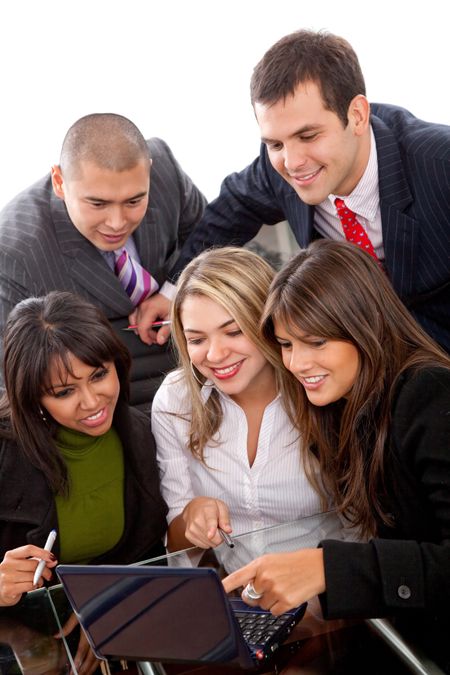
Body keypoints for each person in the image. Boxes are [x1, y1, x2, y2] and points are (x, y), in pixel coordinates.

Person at [137, 29, 450, 354]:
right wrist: (171, 292)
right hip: (365, 361)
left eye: (309, 135)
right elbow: (229, 209)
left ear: (357, 115)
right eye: (275, 143)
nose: (292, 162)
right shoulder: (277, 170)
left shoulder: (439, 164)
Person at [222, 240, 450, 672]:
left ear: (365, 326)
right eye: (287, 345)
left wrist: (328, 567)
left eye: (317, 342)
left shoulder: (428, 392)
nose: (297, 363)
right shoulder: (345, 406)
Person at [0, 291, 167, 673]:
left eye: (99, 375)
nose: (92, 402)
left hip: (110, 635)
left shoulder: (141, 434)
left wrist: (108, 607)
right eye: (64, 392)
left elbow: (146, 553)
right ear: (32, 397)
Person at [0, 113, 207, 407]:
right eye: (98, 204)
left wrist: (176, 289)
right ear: (59, 182)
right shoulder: (15, 251)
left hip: (201, 369)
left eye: (134, 201)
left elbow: (211, 247)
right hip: (104, 408)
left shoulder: (166, 172)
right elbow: (12, 386)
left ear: (149, 171)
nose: (117, 222)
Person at [152, 247, 344, 553]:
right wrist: (190, 518)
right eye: (197, 340)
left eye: (233, 331)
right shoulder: (176, 400)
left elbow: (364, 527)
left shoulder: (320, 387)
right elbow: (177, 545)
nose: (215, 355)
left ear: (269, 324)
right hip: (231, 594)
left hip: (326, 593)